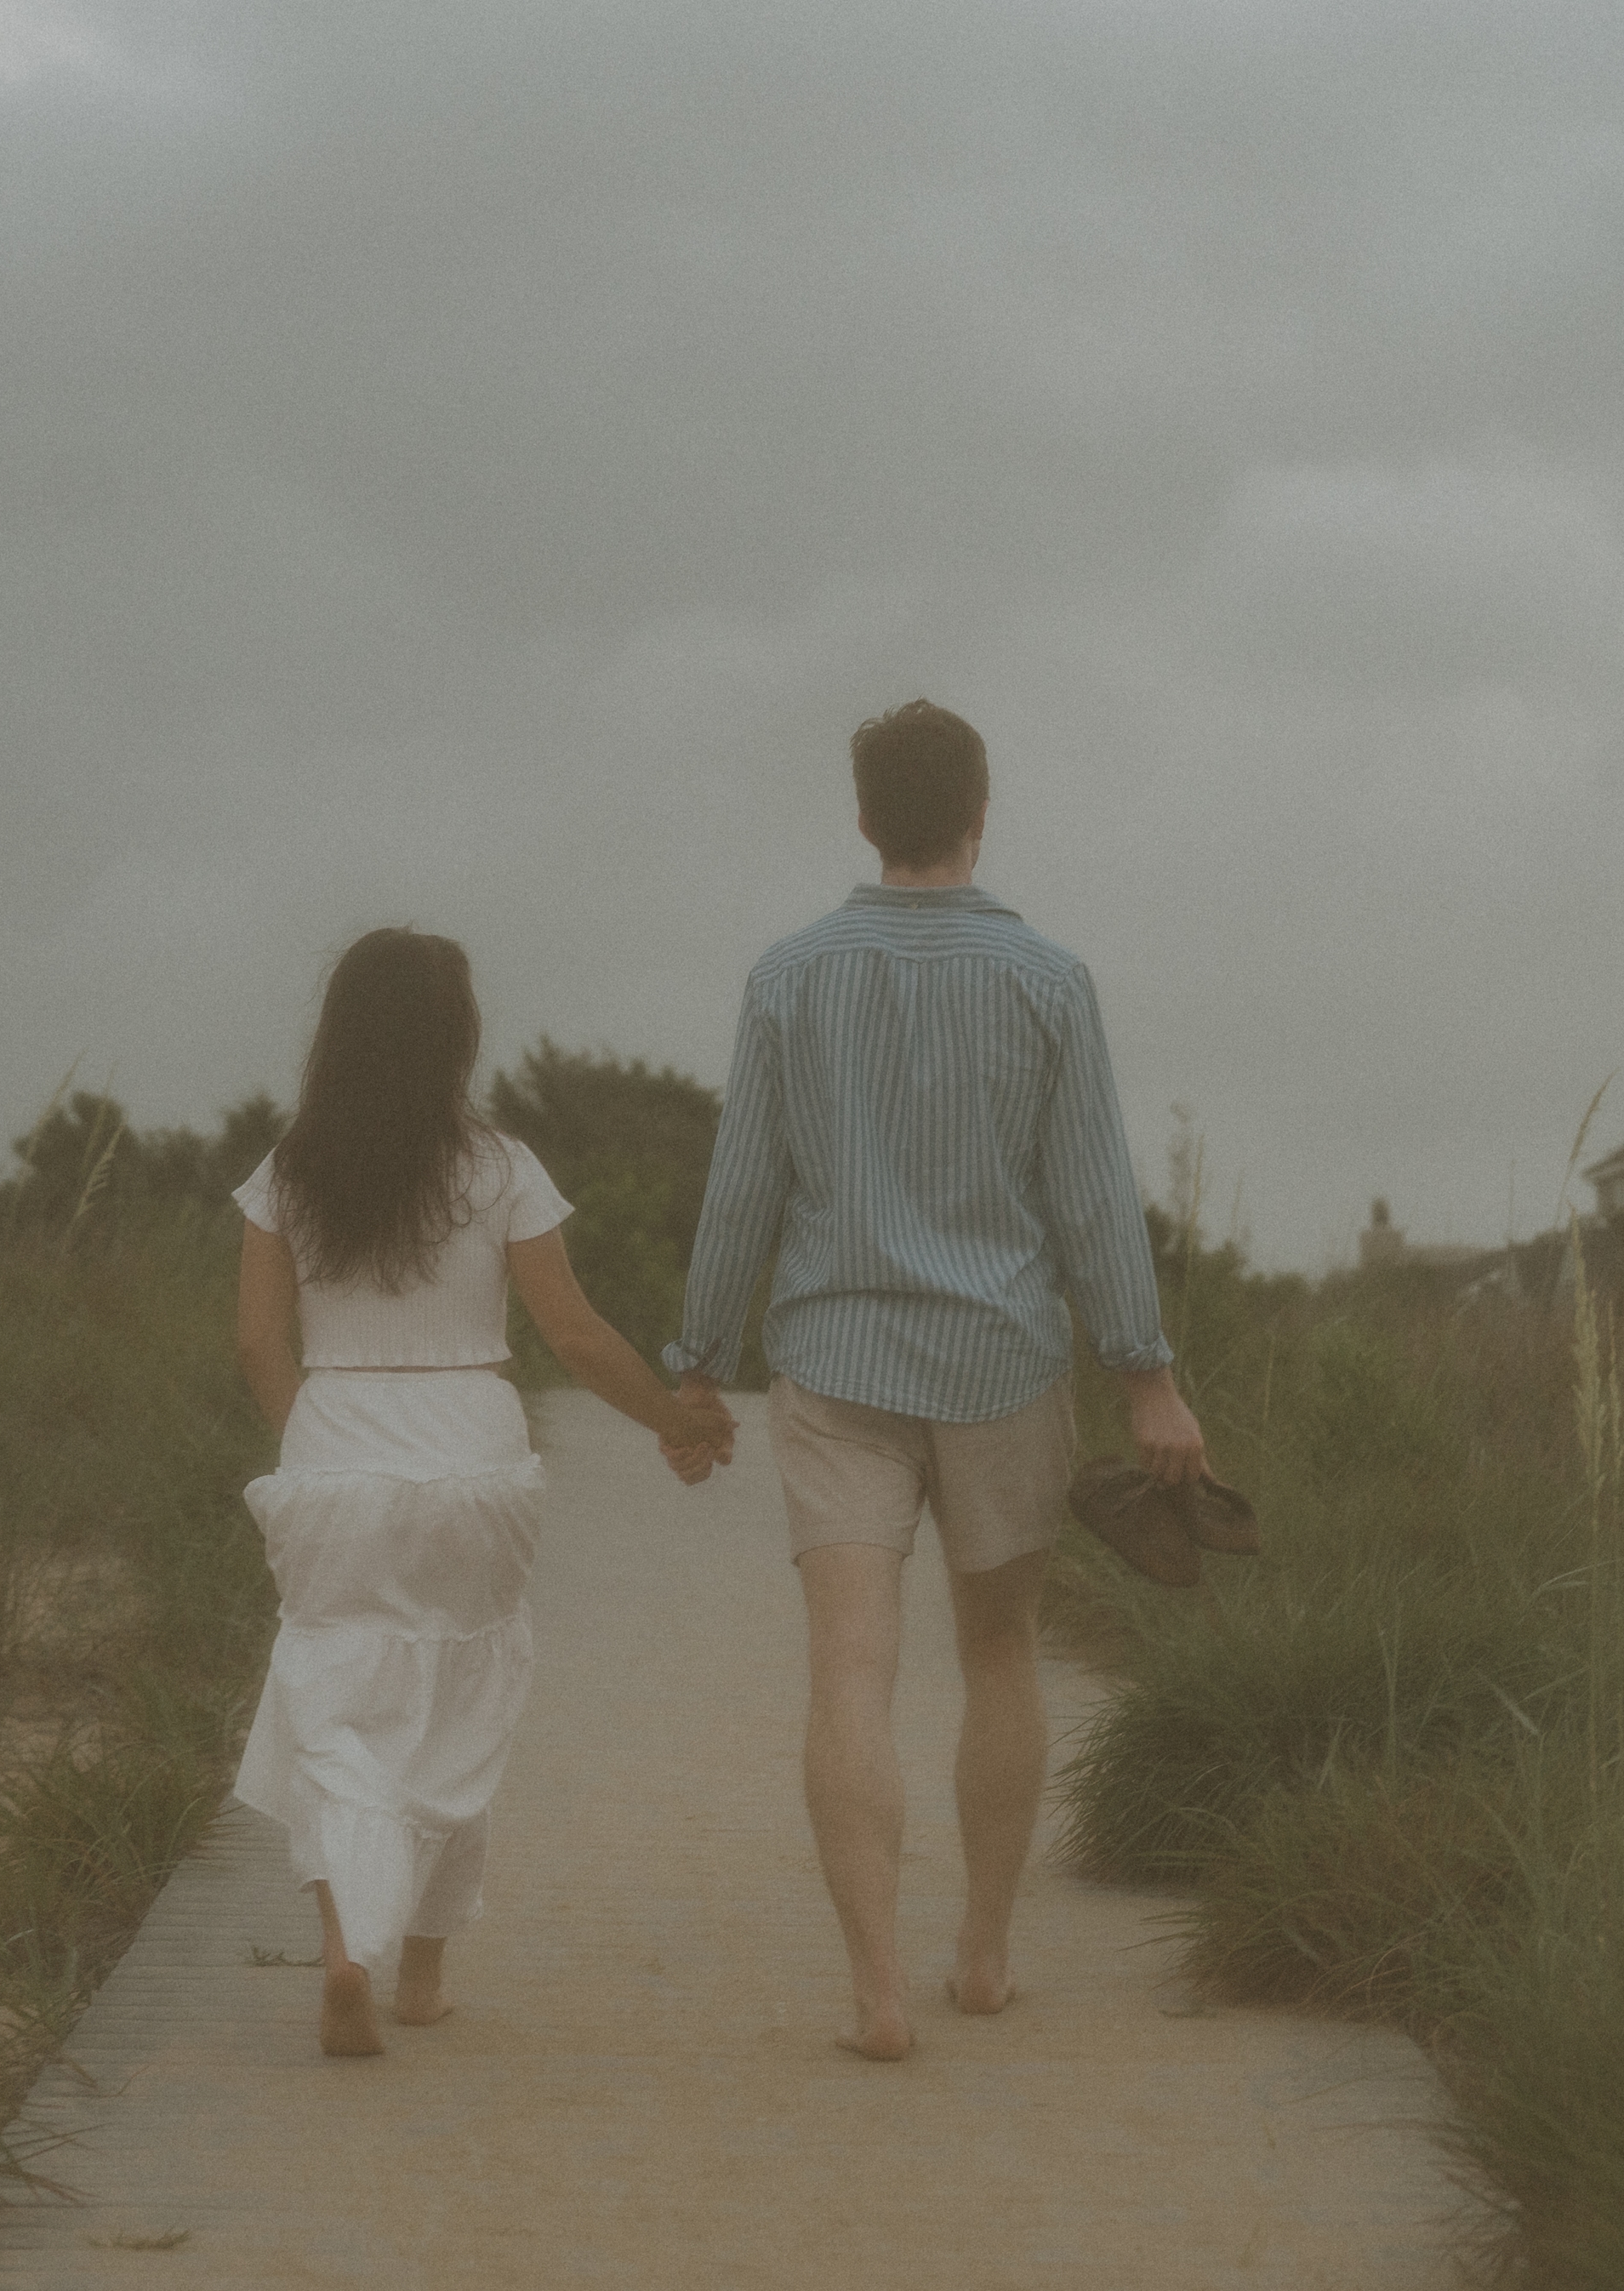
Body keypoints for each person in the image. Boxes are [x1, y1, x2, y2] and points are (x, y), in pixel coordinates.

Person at [664, 701, 1205, 2061]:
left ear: (864, 817)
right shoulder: (1050, 981)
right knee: (999, 1649)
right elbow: (1093, 1199)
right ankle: (983, 1954)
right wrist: (1147, 1377)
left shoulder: (788, 978)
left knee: (851, 1666)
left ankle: (878, 1991)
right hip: (1002, 1362)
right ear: (980, 811)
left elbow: (743, 1190)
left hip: (836, 1364)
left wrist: (697, 1364)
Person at [233, 928, 738, 2057]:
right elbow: (574, 1334)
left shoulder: (288, 1171)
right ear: (455, 1035)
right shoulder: (501, 1166)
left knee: (334, 1704)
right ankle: (420, 1982)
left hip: (335, 1447)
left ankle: (344, 1950)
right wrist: (678, 1422)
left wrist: (317, 1440)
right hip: (474, 1454)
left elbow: (257, 1340)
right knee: (459, 1697)